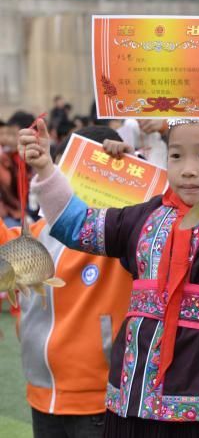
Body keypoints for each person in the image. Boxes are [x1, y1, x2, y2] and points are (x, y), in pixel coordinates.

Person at [18, 71, 199, 437]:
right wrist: (46, 169)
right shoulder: (143, 215)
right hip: (132, 400)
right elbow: (78, 226)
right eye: (176, 156)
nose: (188, 169)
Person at [1, 125, 133, 438]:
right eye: (58, 169)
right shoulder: (32, 235)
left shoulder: (123, 235)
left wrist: (134, 164)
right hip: (42, 395)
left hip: (101, 401)